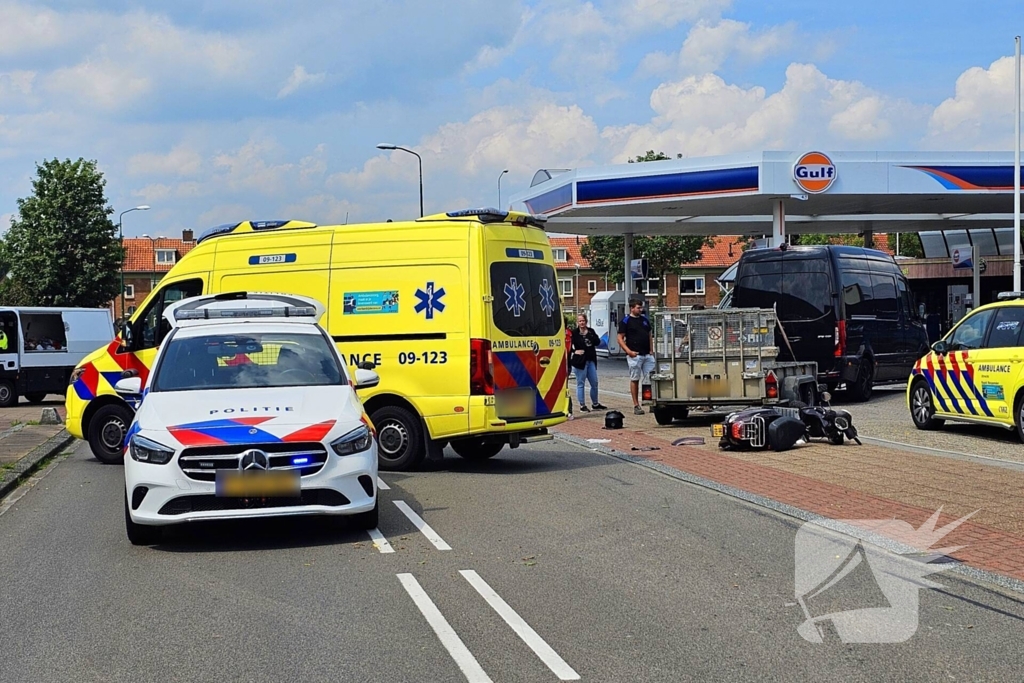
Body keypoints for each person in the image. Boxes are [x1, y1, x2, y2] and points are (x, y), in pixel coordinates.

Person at [617, 298, 655, 415]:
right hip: (635, 355)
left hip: (647, 354)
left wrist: (651, 350)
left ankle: (651, 402)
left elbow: (649, 335)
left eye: (641, 307)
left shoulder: (645, 320)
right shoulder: (626, 321)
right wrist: (629, 351)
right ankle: (636, 405)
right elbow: (620, 338)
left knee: (651, 378)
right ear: (632, 308)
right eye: (638, 308)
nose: (640, 309)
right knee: (635, 379)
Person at [570, 314, 606, 412]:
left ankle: (595, 403)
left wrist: (590, 335)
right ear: (577, 322)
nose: (582, 323)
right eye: (580, 321)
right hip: (580, 361)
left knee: (594, 382)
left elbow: (597, 342)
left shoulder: (591, 331)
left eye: (583, 321)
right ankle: (582, 405)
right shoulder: (574, 333)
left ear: (586, 321)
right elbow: (568, 345)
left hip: (591, 360)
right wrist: (574, 351)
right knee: (580, 383)